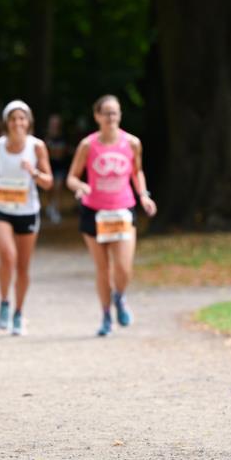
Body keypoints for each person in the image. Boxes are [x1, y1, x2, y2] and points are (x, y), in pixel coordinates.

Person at [66, 94, 157, 336]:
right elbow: (72, 177)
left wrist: (144, 196)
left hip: (122, 210)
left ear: (120, 115)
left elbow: (137, 172)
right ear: (97, 116)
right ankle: (106, 315)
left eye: (115, 112)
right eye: (106, 113)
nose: (111, 117)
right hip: (94, 212)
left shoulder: (132, 143)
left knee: (124, 268)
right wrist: (80, 186)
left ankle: (120, 296)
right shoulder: (88, 145)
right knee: (103, 268)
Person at [0, 100, 53, 335]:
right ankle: (4, 302)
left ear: (28, 122)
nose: (17, 123)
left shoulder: (37, 147)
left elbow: (48, 182)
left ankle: (18, 313)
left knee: (22, 266)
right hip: (0, 208)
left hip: (27, 211)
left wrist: (34, 172)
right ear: (6, 123)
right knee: (8, 256)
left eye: (22, 118)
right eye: (13, 119)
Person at [44, 113, 68, 224]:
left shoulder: (63, 136)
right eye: (53, 123)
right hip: (49, 166)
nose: (54, 125)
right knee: (49, 188)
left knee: (58, 187)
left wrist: (54, 151)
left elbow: (60, 153)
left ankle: (55, 209)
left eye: (56, 123)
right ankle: (50, 206)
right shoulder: (46, 136)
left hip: (60, 166)